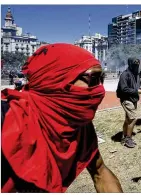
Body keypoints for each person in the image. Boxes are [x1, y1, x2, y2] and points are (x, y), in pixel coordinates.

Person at [1, 43, 122, 193]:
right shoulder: (6, 122)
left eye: (101, 79)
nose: (99, 89)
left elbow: (100, 171)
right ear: (53, 80)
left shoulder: (79, 124)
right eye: (93, 78)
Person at [116, 57, 141, 148]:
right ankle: (128, 138)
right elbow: (123, 89)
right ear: (130, 64)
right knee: (133, 118)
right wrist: (137, 91)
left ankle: (124, 136)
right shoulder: (125, 74)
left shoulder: (136, 74)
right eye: (134, 65)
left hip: (134, 99)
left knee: (128, 119)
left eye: (137, 65)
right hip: (126, 99)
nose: (136, 67)